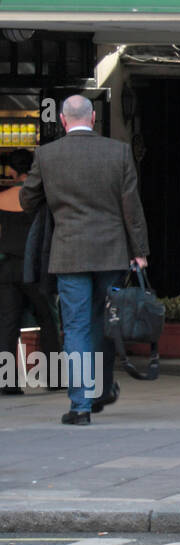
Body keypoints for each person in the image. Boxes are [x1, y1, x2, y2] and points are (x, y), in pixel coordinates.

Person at [20, 96, 149, 425]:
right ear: (93, 118)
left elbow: (27, 200)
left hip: (69, 253)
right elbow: (131, 207)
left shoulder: (47, 156)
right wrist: (139, 251)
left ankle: (80, 404)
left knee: (75, 327)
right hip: (111, 253)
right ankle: (102, 389)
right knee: (106, 323)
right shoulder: (117, 152)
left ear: (63, 121)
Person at [0, 150, 62, 395]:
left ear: (12, 172)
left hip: (6, 268)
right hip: (35, 268)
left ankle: (7, 382)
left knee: (7, 325)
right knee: (48, 320)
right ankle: (54, 378)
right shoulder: (40, 199)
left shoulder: (2, 198)